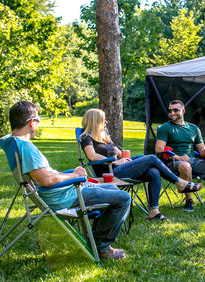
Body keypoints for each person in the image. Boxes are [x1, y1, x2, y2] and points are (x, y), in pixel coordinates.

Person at [8, 101, 130, 260]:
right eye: (38, 119)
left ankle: (96, 239)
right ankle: (101, 247)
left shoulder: (14, 142)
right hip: (64, 196)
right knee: (124, 198)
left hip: (62, 191)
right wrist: (74, 176)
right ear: (32, 123)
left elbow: (47, 175)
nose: (39, 122)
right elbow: (47, 179)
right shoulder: (27, 148)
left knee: (113, 190)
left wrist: (72, 173)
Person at [80, 108, 202, 223]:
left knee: (153, 171)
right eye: (103, 119)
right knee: (152, 158)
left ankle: (154, 211)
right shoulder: (86, 137)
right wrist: (114, 162)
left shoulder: (105, 137)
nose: (106, 121)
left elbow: (119, 154)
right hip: (110, 174)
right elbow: (92, 156)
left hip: (120, 169)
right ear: (95, 121)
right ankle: (179, 182)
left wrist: (124, 158)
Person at [155, 100, 205, 213]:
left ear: (183, 111)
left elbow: (201, 149)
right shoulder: (165, 128)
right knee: (185, 166)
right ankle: (189, 199)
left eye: (175, 110)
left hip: (192, 159)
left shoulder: (194, 128)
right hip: (172, 161)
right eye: (170, 110)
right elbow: (159, 150)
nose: (172, 113)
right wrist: (178, 157)